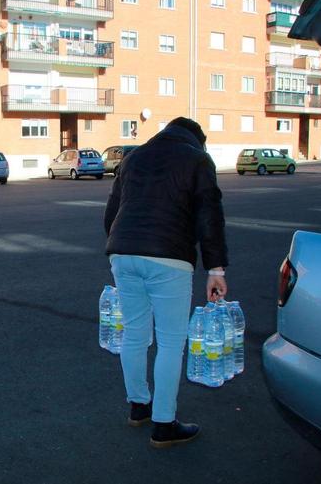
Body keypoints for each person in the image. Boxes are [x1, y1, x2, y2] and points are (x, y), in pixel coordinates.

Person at [104, 116, 229, 448]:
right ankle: (163, 423)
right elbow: (209, 214)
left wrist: (120, 253)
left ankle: (138, 406)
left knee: (134, 335)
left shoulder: (133, 158)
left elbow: (112, 212)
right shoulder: (197, 158)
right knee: (171, 343)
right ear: (198, 139)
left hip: (122, 252)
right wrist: (215, 269)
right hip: (168, 257)